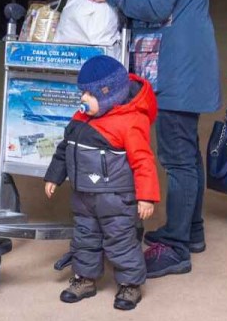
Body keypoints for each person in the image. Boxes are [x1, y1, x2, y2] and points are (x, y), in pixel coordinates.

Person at [89, 0, 220, 278]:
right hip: (183, 62)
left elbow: (156, 5)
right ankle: (191, 230)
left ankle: (176, 247)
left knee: (177, 158)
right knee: (185, 156)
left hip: (177, 67)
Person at [44, 56, 159, 311]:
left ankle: (130, 285)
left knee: (120, 240)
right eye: (82, 91)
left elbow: (143, 160)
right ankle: (85, 280)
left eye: (91, 94)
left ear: (110, 95)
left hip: (116, 198)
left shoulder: (130, 121)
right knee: (84, 238)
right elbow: (65, 148)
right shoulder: (80, 118)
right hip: (83, 195)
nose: (83, 98)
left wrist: (146, 196)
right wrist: (54, 176)